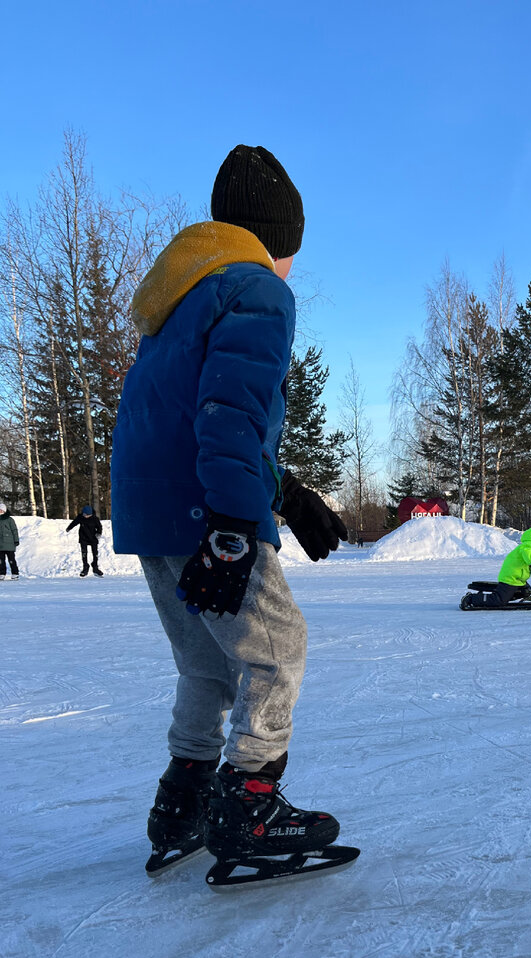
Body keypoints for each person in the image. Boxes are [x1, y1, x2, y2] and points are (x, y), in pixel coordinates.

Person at [111, 144, 348, 878]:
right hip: (204, 513)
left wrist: (286, 493)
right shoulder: (257, 289)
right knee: (279, 648)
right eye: (292, 252)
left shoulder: (179, 300)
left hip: (154, 515)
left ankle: (180, 802)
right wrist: (236, 523)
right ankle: (247, 804)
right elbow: (230, 414)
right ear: (278, 239)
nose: (291, 270)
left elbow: (196, 418)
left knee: (207, 668)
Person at [461, 525, 531, 608]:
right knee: (498, 600)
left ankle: (506, 595)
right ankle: (471, 598)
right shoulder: (528, 546)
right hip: (510, 577)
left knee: (526, 591)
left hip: (518, 579)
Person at [66, 505, 103, 576]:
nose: (85, 516)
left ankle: (95, 567)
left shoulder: (95, 519)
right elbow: (74, 523)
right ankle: (85, 567)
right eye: (84, 514)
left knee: (95, 553)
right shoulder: (80, 517)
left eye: (86, 515)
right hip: (83, 538)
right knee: (84, 553)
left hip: (93, 538)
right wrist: (69, 528)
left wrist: (99, 533)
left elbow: (99, 527)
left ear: (90, 514)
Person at [0, 502, 19, 579]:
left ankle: (15, 573)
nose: (0, 511)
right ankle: (2, 574)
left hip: (9, 544)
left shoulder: (9, 520)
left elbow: (14, 530)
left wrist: (16, 540)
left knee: (11, 560)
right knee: (1, 561)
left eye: (1, 510)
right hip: (0, 545)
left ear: (4, 510)